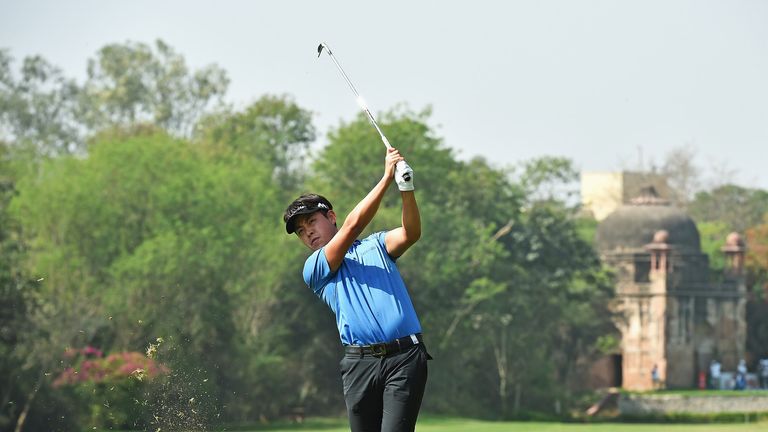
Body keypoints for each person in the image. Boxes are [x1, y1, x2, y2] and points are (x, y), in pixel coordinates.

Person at [283, 147, 429, 432]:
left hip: (405, 358)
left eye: (311, 221)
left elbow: (410, 233)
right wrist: (386, 177)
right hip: (359, 364)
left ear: (330, 216)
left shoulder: (376, 245)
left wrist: (406, 188)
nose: (307, 232)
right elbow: (352, 227)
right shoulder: (315, 267)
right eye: (300, 231)